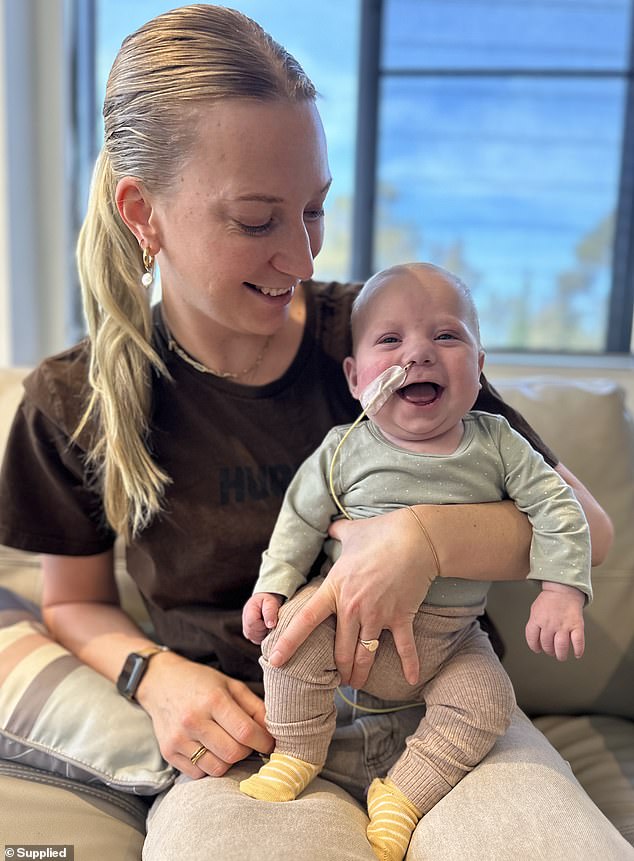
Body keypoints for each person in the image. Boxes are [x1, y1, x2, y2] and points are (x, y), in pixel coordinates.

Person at [0, 6, 620, 861]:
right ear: (143, 211)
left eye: (315, 209)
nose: (301, 257)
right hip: (256, 740)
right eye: (257, 220)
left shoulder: (387, 340)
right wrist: (153, 675)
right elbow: (72, 601)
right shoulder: (72, 400)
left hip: (453, 717)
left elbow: (586, 529)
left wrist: (423, 538)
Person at [240, 262, 592, 861]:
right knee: (287, 646)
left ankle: (403, 791)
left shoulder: (498, 444)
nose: (420, 353)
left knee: (487, 702)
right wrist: (271, 588)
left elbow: (559, 509)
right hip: (343, 618)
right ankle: (297, 751)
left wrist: (562, 590)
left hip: (452, 641)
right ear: (356, 379)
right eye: (391, 340)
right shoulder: (344, 447)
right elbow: (297, 523)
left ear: (479, 369)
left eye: (447, 336)